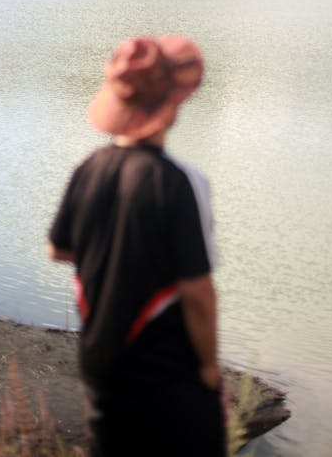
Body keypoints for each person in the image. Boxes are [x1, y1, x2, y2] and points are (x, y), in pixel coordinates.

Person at [47, 34, 226, 457]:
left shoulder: (88, 169)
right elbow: (198, 293)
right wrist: (208, 367)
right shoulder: (181, 182)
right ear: (173, 104)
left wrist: (112, 251)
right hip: (166, 374)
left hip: (100, 365)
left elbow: (58, 249)